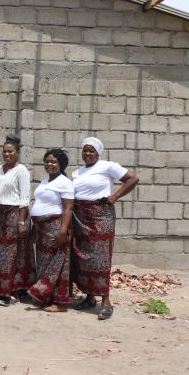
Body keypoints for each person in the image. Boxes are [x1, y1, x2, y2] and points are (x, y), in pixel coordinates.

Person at [71, 136, 139, 320]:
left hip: (101, 216)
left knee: (101, 257)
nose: (87, 153)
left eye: (91, 150)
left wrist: (114, 197)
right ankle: (89, 297)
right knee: (83, 256)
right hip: (80, 217)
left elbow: (132, 179)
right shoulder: (76, 173)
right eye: (85, 150)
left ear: (98, 153)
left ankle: (106, 301)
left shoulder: (108, 166)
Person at [28, 148, 75, 313]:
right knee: (44, 264)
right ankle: (44, 297)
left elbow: (68, 208)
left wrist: (62, 231)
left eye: (54, 161)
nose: (50, 164)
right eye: (47, 161)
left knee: (57, 265)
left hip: (55, 227)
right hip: (41, 230)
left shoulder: (65, 182)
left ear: (61, 164)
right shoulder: (44, 181)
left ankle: (61, 303)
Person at [0, 134, 32, 306]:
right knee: (2, 255)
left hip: (14, 215)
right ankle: (1, 289)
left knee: (11, 255)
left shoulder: (21, 170)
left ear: (17, 152)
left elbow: (25, 198)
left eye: (10, 151)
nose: (7, 154)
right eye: (4, 152)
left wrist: (22, 222)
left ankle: (8, 293)